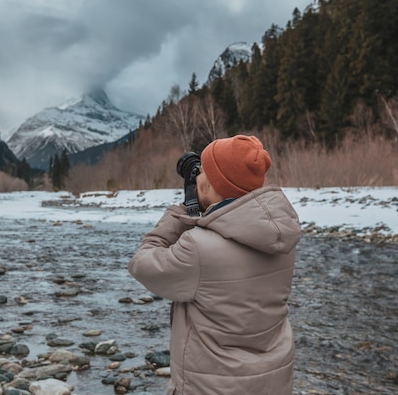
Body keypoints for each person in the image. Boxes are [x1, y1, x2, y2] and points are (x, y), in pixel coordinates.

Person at [128, 135, 301, 395]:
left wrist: (182, 212)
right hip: (270, 382)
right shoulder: (280, 239)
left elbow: (142, 264)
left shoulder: (198, 249)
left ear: (212, 184)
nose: (196, 178)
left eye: (202, 172)